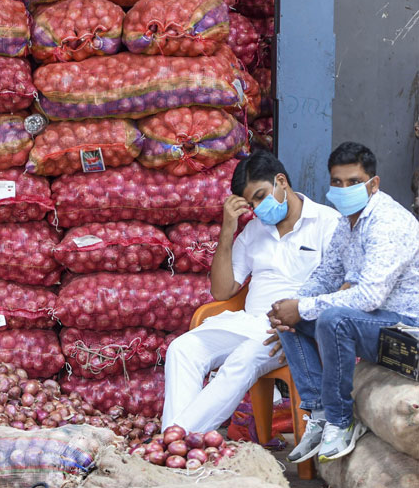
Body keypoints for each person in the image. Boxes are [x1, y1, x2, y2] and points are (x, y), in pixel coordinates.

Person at [161, 150, 339, 434]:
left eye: (260, 196)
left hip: (291, 328)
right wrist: (228, 229)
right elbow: (222, 290)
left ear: (281, 181)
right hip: (249, 322)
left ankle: (175, 438)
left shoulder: (328, 223)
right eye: (251, 203)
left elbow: (342, 289)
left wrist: (302, 326)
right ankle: (177, 440)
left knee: (242, 360)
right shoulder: (255, 230)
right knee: (182, 349)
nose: (257, 208)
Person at [268, 142, 419, 463]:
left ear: (373, 184)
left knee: (331, 319)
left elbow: (369, 296)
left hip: (406, 327)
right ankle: (320, 412)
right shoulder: (345, 223)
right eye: (337, 182)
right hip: (371, 322)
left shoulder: (389, 223)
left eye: (353, 182)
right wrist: (292, 306)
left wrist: (304, 308)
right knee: (290, 316)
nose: (344, 188)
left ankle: (341, 419)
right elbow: (325, 275)